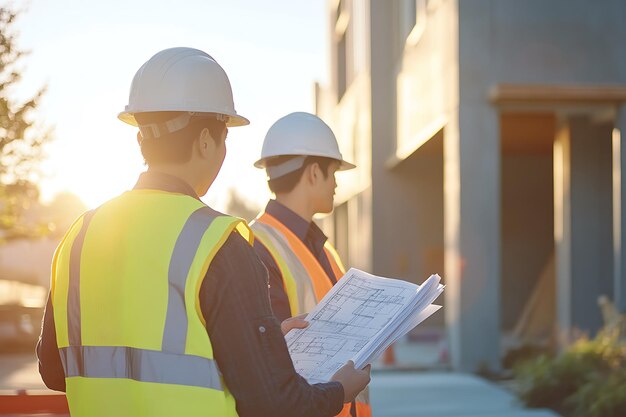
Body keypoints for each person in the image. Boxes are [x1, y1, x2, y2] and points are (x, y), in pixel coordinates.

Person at [36, 47, 370, 417]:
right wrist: (339, 391)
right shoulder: (217, 242)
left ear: (140, 140)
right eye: (225, 137)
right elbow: (273, 405)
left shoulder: (79, 236)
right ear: (207, 140)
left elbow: (54, 370)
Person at [250, 112, 372, 417]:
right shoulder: (257, 246)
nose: (335, 185)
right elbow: (268, 358)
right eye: (334, 173)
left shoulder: (326, 251)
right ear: (314, 173)